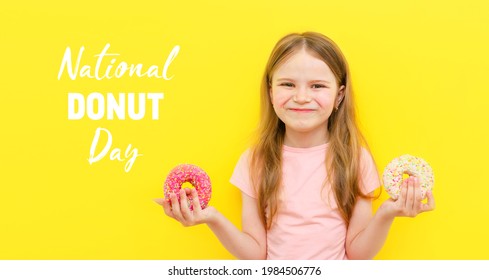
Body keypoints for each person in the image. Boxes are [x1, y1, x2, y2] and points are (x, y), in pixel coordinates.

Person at [154, 32, 435, 260]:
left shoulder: (355, 159)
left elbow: (358, 254)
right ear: (271, 91)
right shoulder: (255, 160)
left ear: (339, 96)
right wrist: (211, 218)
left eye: (317, 86)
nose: (301, 97)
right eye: (288, 84)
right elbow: (255, 254)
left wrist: (387, 213)